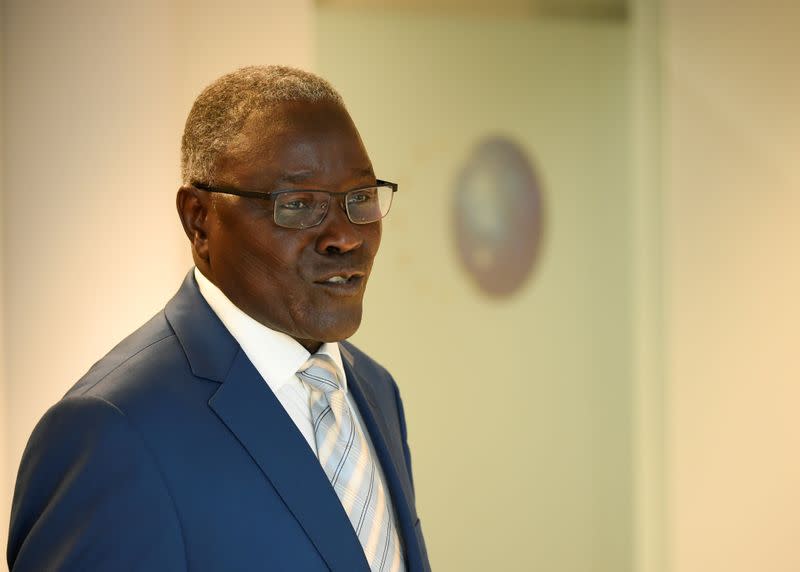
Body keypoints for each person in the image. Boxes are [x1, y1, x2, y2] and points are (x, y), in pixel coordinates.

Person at [7, 65, 430, 572]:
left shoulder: (375, 390)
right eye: (296, 205)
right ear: (199, 221)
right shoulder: (112, 432)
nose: (346, 236)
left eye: (360, 198)